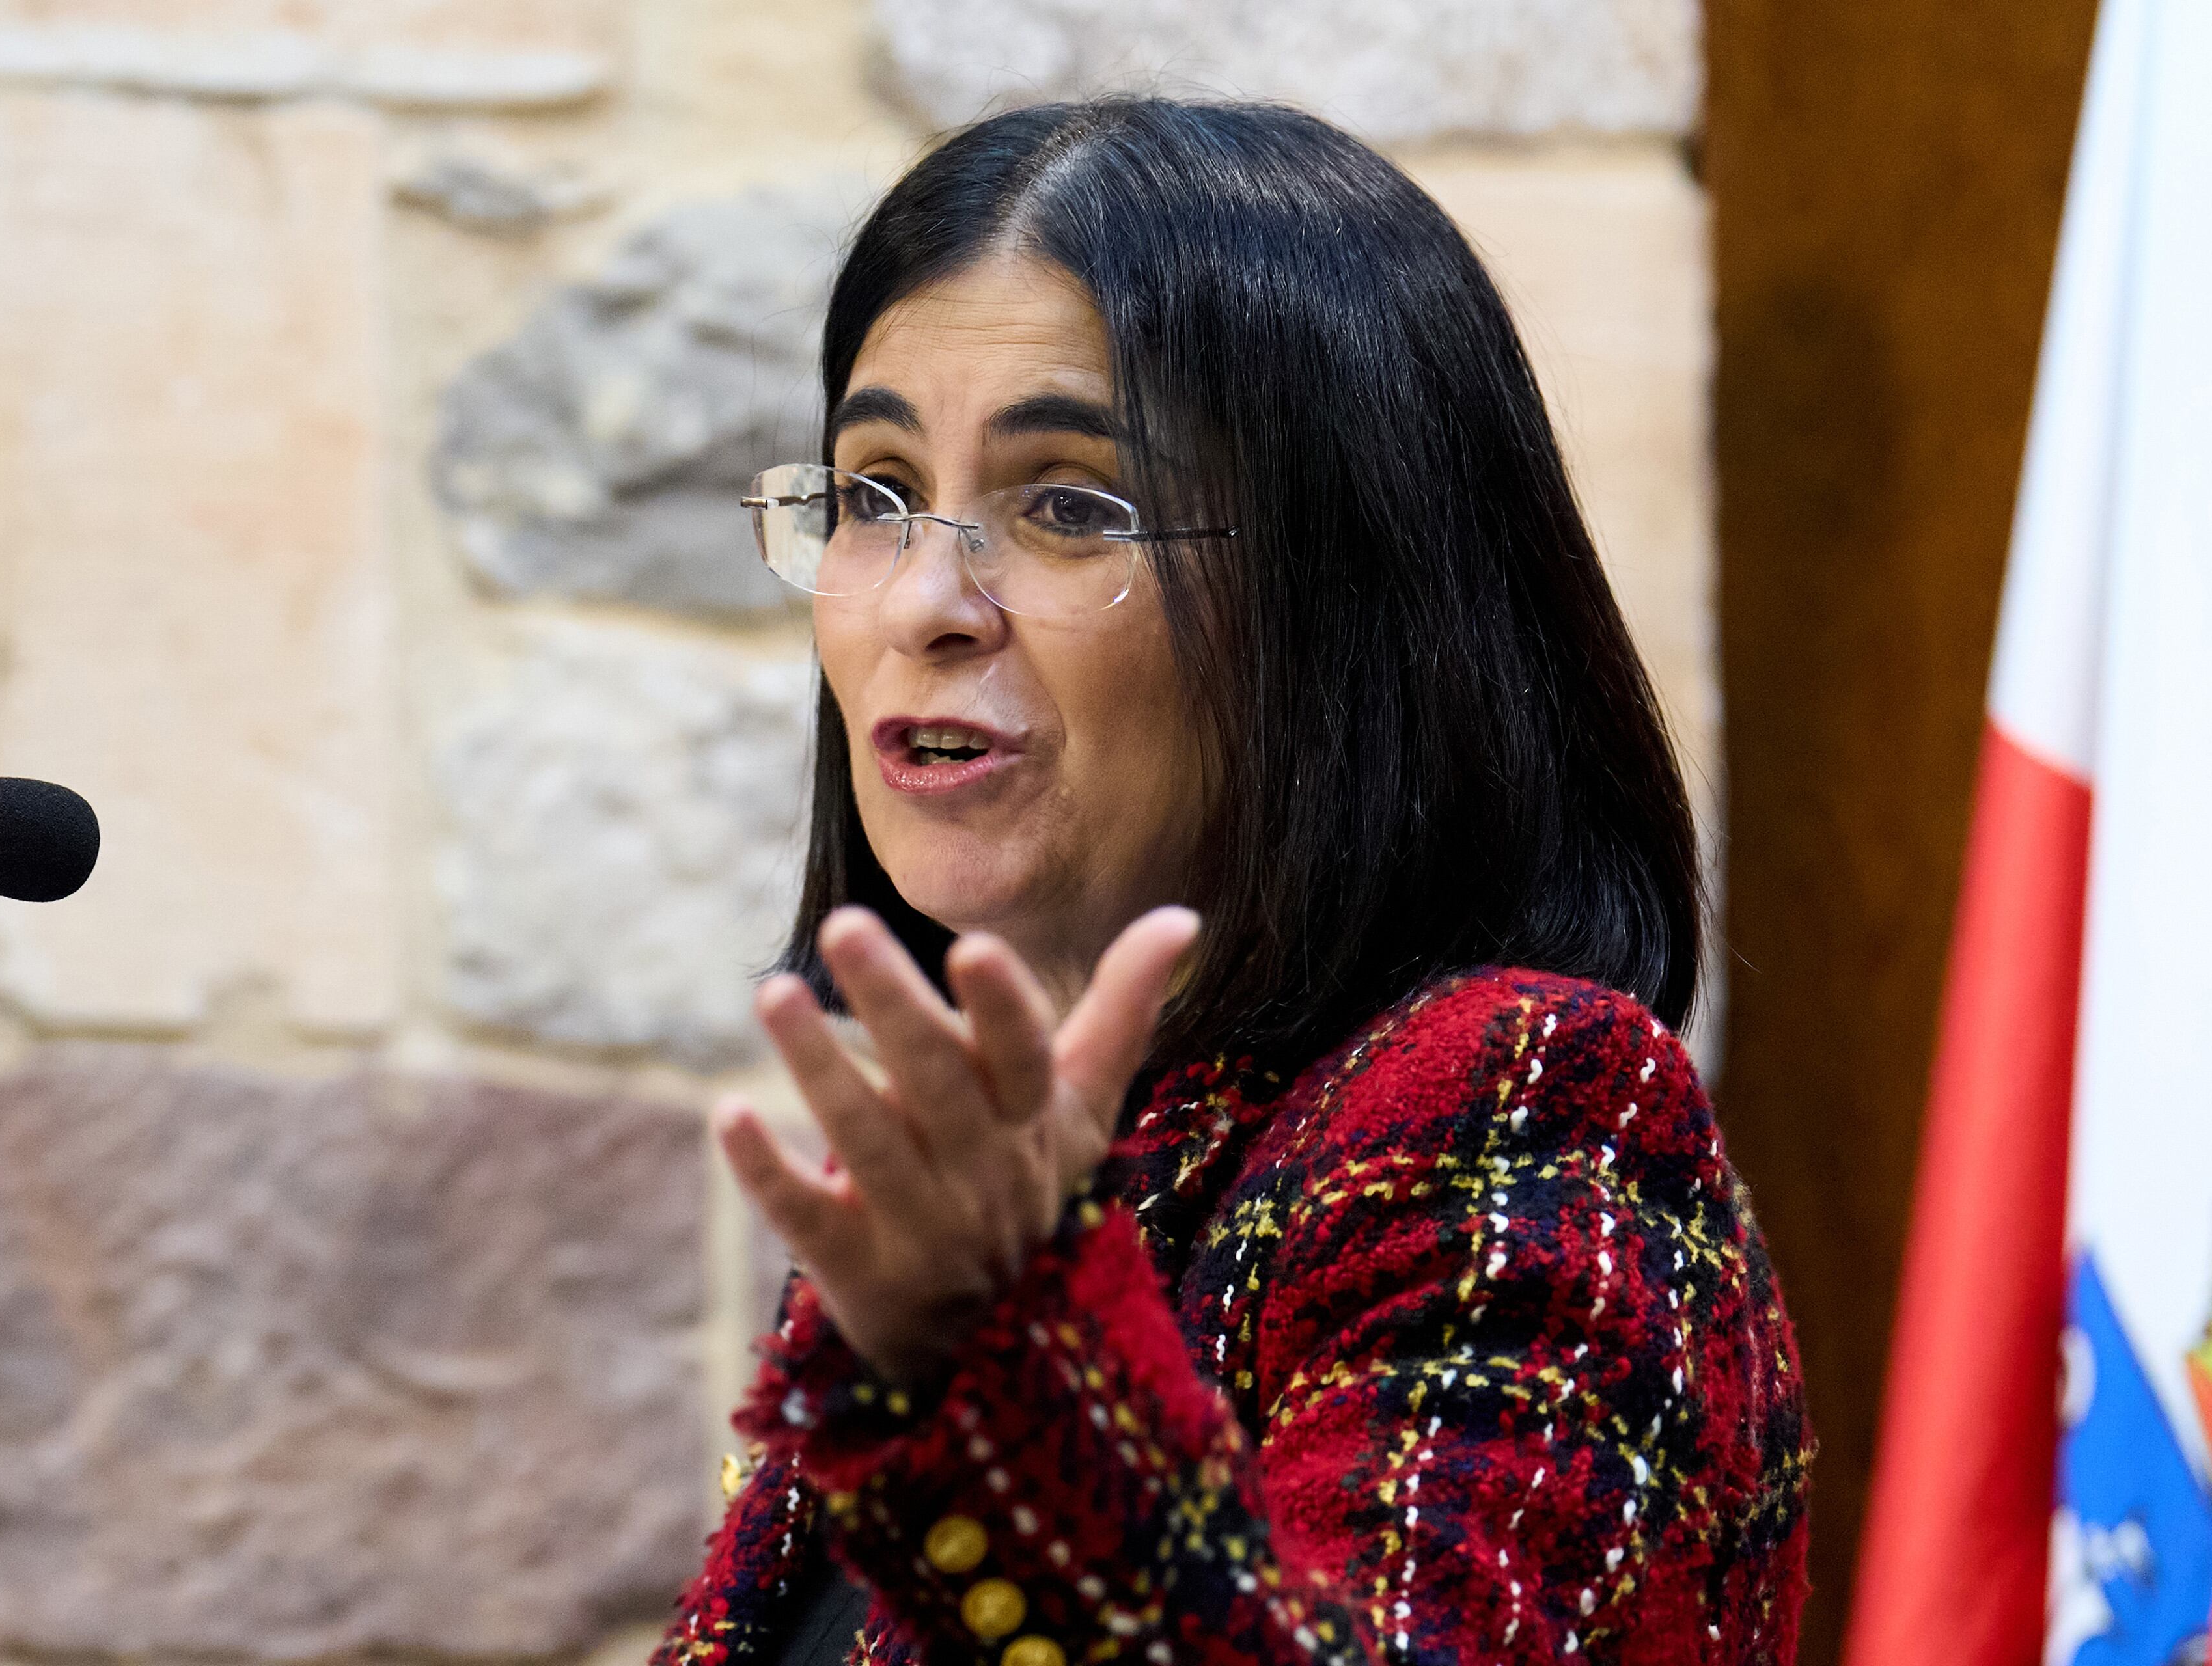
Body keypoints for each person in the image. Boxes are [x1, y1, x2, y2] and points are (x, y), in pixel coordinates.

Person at [657, 98, 1812, 1666]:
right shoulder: (985, 1195)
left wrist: (1011, 1390)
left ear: (1345, 600)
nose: (923, 600)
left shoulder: (1526, 1109)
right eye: (873, 493)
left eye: (1068, 504)